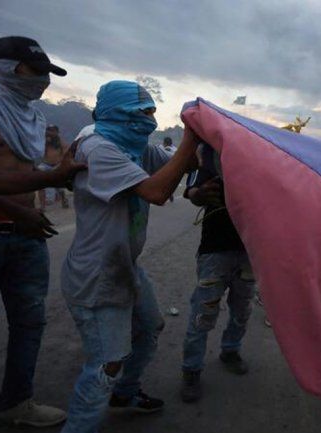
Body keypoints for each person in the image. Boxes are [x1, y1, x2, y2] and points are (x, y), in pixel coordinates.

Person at [59, 80, 198, 433]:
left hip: (124, 267)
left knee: (149, 327)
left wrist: (209, 140)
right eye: (140, 112)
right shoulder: (98, 148)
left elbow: (182, 164)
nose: (149, 120)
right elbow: (156, 190)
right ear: (115, 114)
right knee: (106, 363)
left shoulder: (135, 146)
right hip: (97, 274)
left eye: (152, 112)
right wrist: (190, 138)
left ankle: (125, 394)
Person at [0, 35, 70, 427]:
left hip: (26, 235)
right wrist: (17, 211)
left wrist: (65, 175)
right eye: (35, 70)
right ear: (6, 68)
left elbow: (33, 168)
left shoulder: (32, 118)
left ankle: (16, 402)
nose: (43, 80)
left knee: (29, 322)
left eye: (47, 73)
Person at [180, 144, 256, 402]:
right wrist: (200, 194)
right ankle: (191, 369)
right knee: (203, 313)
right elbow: (192, 192)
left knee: (242, 310)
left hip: (249, 252)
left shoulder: (259, 160)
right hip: (215, 252)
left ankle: (230, 350)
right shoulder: (210, 155)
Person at [37, 125, 70, 210]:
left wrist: (61, 164)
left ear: (56, 132)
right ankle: (42, 205)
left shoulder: (60, 142)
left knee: (59, 185)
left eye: (53, 131)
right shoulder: (43, 142)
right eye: (49, 131)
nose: (51, 133)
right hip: (45, 164)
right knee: (40, 182)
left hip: (57, 164)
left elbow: (66, 154)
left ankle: (63, 199)